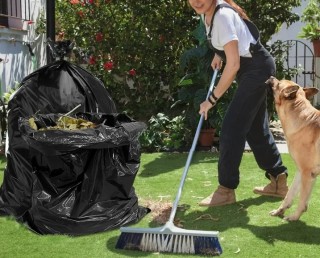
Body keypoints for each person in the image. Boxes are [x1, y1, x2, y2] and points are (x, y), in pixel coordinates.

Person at [188, 0, 289, 206]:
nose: (196, 1)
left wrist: (211, 100)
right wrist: (219, 53)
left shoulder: (222, 15)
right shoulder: (207, 12)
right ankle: (279, 181)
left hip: (256, 69)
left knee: (232, 128)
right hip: (252, 69)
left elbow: (233, 64)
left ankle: (226, 190)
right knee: (255, 128)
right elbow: (235, 38)